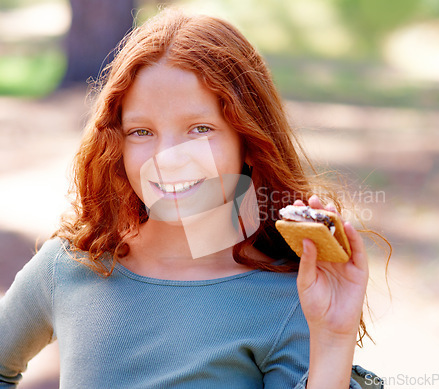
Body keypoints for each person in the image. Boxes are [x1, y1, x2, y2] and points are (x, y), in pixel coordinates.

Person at [0, 8, 384, 389]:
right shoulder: (68, 265)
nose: (168, 158)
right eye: (141, 131)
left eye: (200, 129)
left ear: (248, 142)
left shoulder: (289, 300)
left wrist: (333, 339)